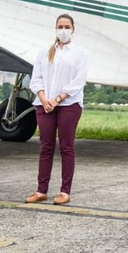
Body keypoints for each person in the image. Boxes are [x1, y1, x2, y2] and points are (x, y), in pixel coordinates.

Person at [25, 14, 89, 206]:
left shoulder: (79, 53)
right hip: (44, 105)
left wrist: (58, 98)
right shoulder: (44, 52)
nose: (63, 30)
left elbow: (78, 81)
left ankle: (64, 191)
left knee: (67, 147)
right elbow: (36, 78)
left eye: (67, 26)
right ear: (55, 29)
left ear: (73, 29)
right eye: (60, 26)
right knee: (46, 147)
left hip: (69, 105)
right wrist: (45, 99)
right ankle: (41, 190)